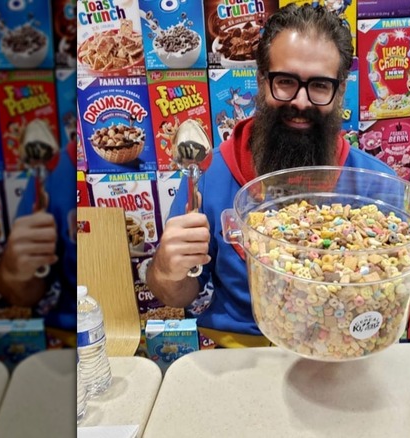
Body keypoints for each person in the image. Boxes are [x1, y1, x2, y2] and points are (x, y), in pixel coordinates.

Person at [147, 4, 393, 348]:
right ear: (262, 80)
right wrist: (166, 269)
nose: (301, 101)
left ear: (339, 91)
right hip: (240, 348)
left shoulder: (376, 187)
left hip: (344, 348)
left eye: (320, 85)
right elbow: (175, 295)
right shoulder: (209, 176)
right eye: (286, 81)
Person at [0, 131, 77, 346]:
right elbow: (21, 295)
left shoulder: (171, 169)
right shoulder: (54, 171)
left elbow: (167, 291)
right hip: (68, 330)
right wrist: (15, 271)